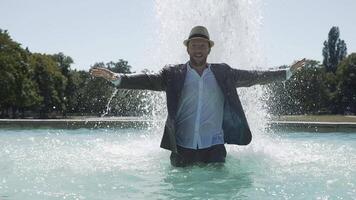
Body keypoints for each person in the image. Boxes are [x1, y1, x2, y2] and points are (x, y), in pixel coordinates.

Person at [90, 26, 305, 167]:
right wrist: (118, 77)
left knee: (218, 190)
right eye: (194, 45)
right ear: (188, 49)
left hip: (214, 147)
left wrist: (286, 72)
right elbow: (148, 80)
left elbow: (255, 76)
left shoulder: (223, 72)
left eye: (203, 45)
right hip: (182, 146)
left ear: (209, 49)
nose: (198, 49)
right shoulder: (173, 73)